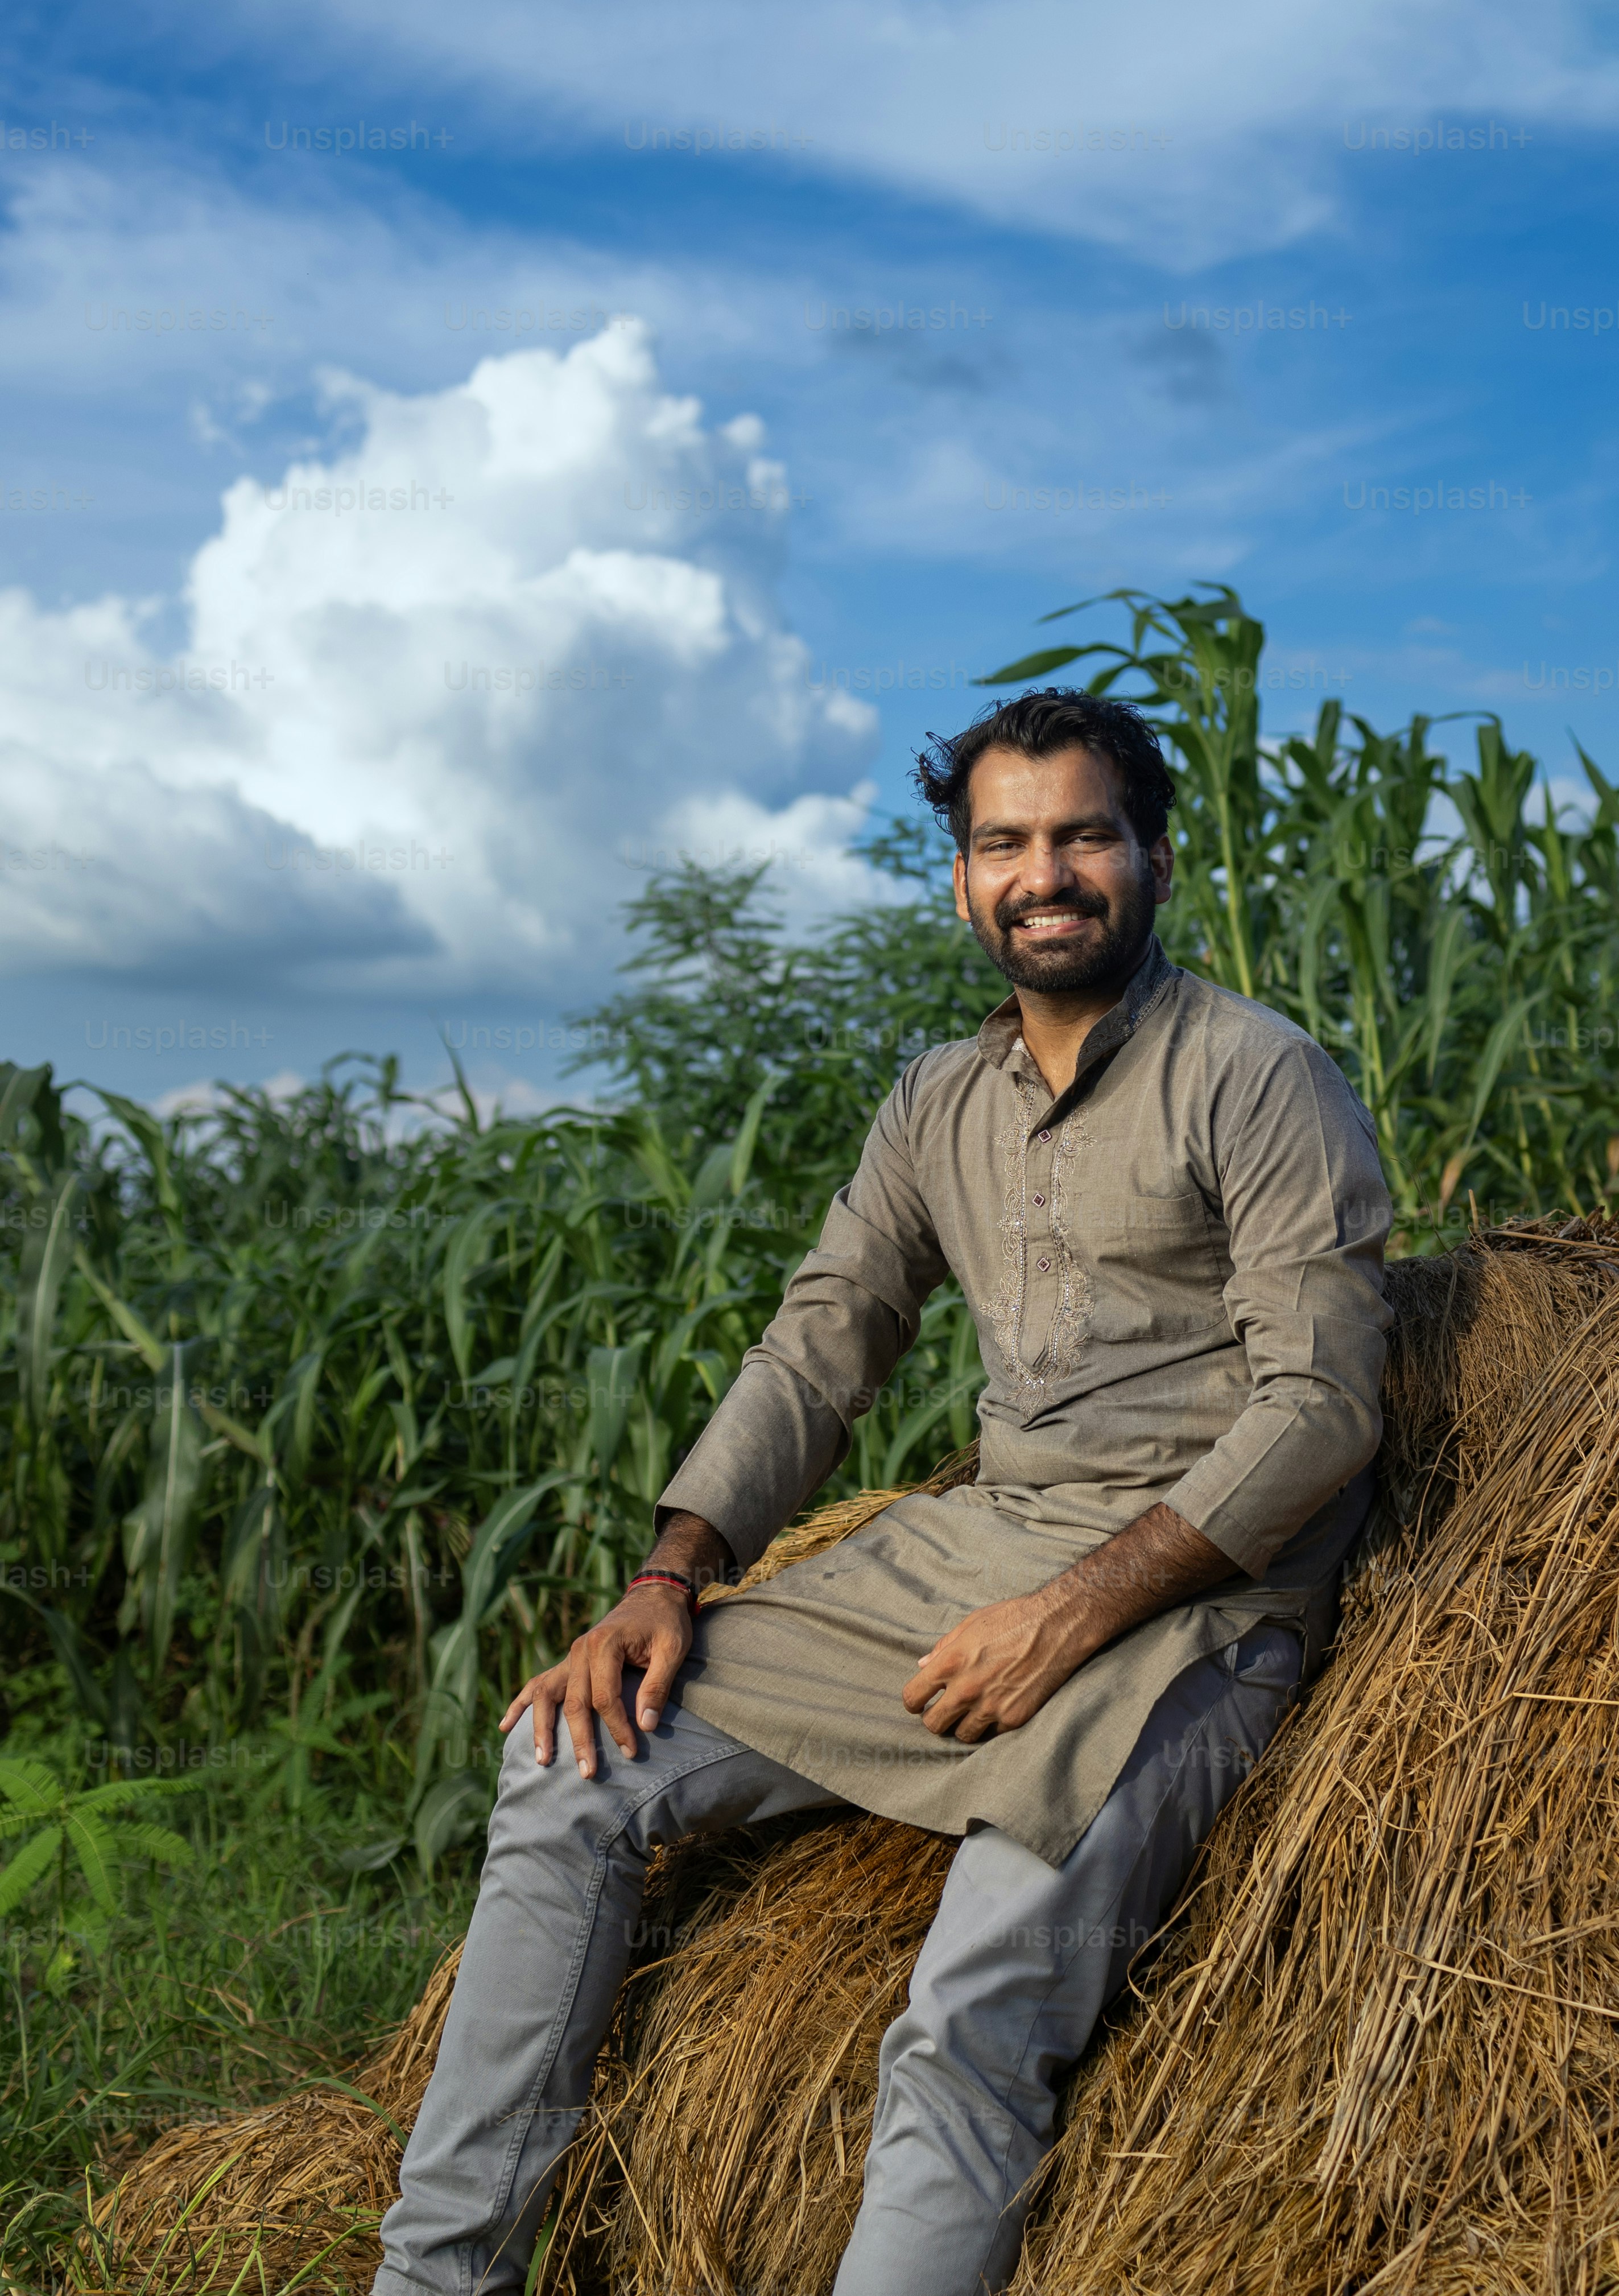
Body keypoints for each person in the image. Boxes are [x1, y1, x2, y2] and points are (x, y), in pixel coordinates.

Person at [374, 689, 1392, 2296]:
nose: (1043, 873)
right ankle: (440, 2276)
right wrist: (669, 1574)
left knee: (974, 2001)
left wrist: (1066, 1617)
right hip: (972, 1552)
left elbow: (1325, 1404)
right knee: (571, 1762)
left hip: (1188, 1605)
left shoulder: (1256, 1075)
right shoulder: (939, 1098)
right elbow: (822, 1340)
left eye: (1080, 836)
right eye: (1005, 842)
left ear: (1153, 858)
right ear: (965, 877)